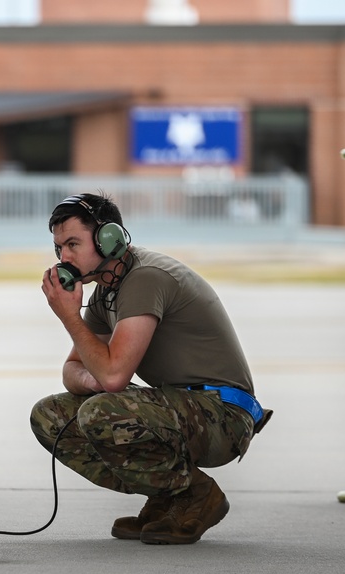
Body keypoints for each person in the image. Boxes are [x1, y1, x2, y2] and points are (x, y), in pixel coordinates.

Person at [30, 192, 272, 545]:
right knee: (50, 415)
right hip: (181, 407)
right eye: (58, 248)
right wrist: (91, 377)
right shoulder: (105, 292)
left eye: (72, 244)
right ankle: (167, 498)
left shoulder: (144, 278)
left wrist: (70, 317)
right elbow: (73, 369)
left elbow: (114, 377)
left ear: (108, 239)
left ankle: (196, 494)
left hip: (223, 415)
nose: (64, 258)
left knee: (101, 412)